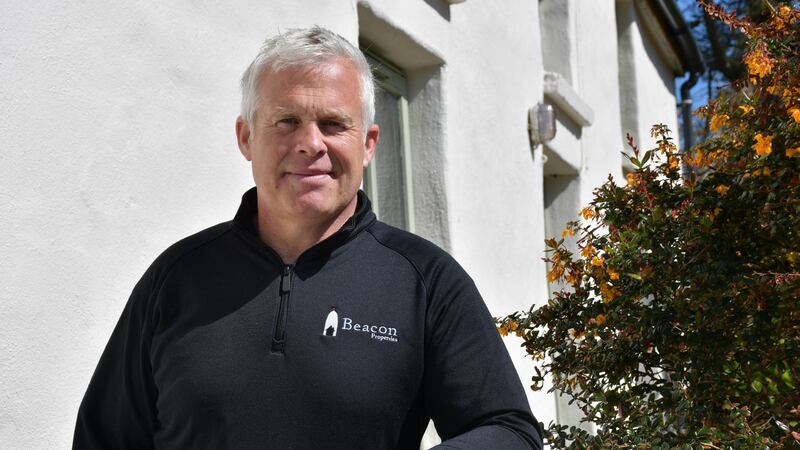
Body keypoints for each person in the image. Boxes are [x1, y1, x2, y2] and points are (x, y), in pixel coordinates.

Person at [73, 26, 542, 449]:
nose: (311, 144)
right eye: (286, 121)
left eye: (333, 124)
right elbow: (104, 439)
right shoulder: (176, 278)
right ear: (246, 138)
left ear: (369, 144)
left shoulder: (425, 281)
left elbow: (508, 431)